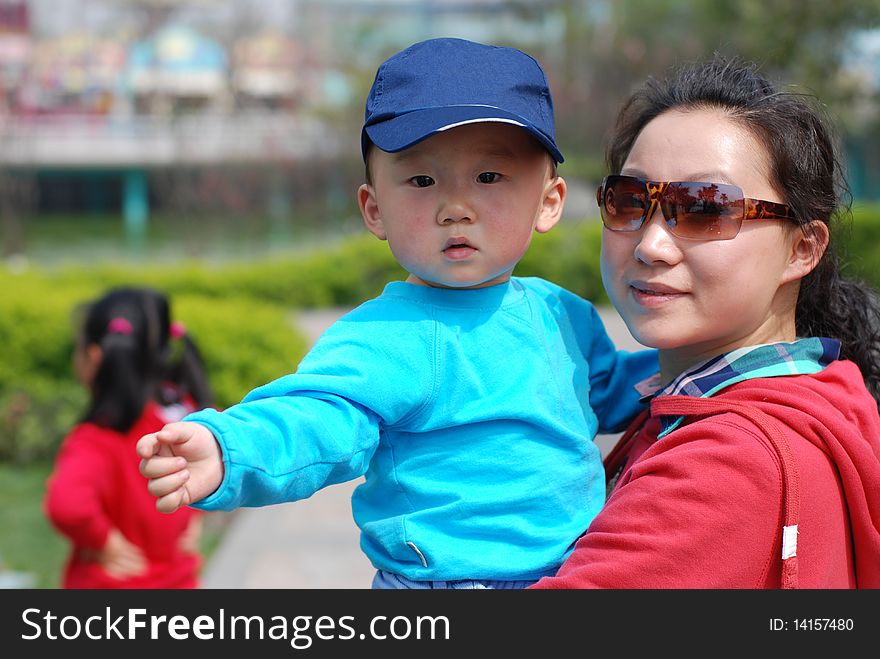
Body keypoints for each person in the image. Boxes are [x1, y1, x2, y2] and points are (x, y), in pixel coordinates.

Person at [136, 37, 658, 589]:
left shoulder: (559, 314)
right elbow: (315, 416)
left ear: (548, 202)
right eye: (422, 180)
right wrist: (230, 448)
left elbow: (610, 387)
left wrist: (714, 364)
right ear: (375, 208)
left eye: (489, 178)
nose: (455, 207)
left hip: (576, 574)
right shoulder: (387, 337)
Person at [531, 56, 880, 589]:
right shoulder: (820, 391)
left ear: (801, 249)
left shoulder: (725, 464)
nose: (650, 245)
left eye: (706, 208)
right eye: (629, 202)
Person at [45, 287, 213, 588]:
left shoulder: (97, 438)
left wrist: (105, 542)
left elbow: (67, 504)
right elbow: (214, 464)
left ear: (94, 356)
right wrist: (197, 515)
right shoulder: (186, 418)